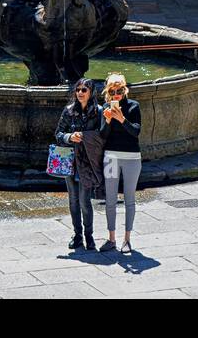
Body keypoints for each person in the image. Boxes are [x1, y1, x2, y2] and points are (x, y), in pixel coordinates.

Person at [55, 79, 103, 251]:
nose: (80, 93)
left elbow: (102, 136)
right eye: (78, 90)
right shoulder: (68, 111)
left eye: (84, 89)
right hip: (71, 161)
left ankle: (89, 236)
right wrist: (69, 137)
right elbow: (58, 133)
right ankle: (77, 235)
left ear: (91, 92)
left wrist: (84, 136)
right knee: (73, 200)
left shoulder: (98, 112)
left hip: (87, 162)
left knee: (84, 201)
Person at [98, 73, 141, 255]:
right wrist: (108, 120)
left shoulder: (133, 106)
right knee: (110, 199)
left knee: (129, 199)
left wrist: (122, 119)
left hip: (132, 157)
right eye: (112, 91)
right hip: (111, 157)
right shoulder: (105, 108)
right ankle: (111, 238)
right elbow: (102, 135)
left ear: (125, 90)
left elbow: (136, 132)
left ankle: (127, 239)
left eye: (119, 90)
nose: (116, 95)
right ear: (108, 92)